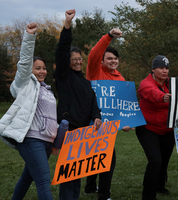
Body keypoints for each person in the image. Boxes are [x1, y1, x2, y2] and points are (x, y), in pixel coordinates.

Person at [0, 23, 57, 199]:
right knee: (43, 181)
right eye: (38, 68)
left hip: (47, 142)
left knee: (28, 178)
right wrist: (29, 37)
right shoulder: (24, 85)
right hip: (32, 140)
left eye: (44, 68)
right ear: (30, 71)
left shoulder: (46, 90)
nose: (42, 71)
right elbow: (25, 61)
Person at [54, 9, 102, 200]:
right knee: (68, 174)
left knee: (78, 172)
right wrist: (67, 25)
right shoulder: (63, 77)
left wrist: (96, 116)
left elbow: (93, 102)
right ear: (67, 62)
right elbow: (62, 50)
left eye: (79, 59)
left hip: (84, 132)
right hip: (68, 130)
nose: (78, 62)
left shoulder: (85, 81)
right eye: (73, 59)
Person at [85, 27, 133, 200]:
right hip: (92, 122)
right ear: (102, 61)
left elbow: (120, 106)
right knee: (108, 159)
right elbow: (93, 54)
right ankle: (104, 195)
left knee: (96, 156)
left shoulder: (120, 79)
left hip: (109, 127)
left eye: (115, 59)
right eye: (109, 58)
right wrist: (109, 37)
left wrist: (126, 123)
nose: (113, 61)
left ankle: (90, 186)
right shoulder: (94, 71)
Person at [136, 55, 174, 200]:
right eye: (161, 68)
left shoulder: (172, 83)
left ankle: (160, 185)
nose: (165, 71)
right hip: (148, 128)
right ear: (153, 69)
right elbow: (150, 92)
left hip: (168, 129)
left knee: (164, 161)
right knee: (155, 160)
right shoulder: (146, 83)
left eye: (167, 68)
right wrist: (163, 96)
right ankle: (148, 195)